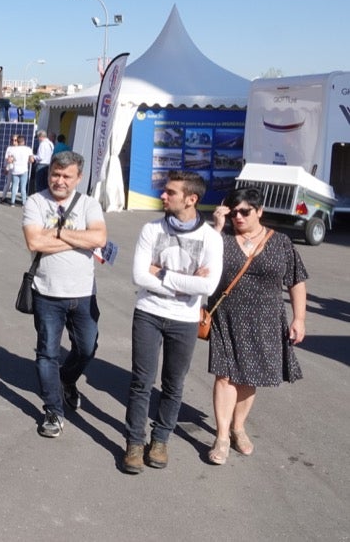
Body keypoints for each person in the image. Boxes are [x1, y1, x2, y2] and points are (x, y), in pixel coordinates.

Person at [122, 171, 223, 474]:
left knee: (173, 383)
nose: (163, 196)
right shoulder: (151, 229)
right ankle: (135, 442)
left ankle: (161, 440)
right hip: (149, 313)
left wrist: (162, 274)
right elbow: (139, 276)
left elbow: (208, 287)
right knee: (142, 381)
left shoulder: (210, 238)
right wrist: (188, 281)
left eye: (170, 192)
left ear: (191, 199)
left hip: (185, 319)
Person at [205, 187, 307, 465]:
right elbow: (199, 266)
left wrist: (299, 318)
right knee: (224, 375)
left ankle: (238, 427)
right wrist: (216, 227)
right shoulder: (220, 238)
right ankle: (222, 436)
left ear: (259, 212)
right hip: (225, 315)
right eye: (233, 211)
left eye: (244, 211)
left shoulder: (281, 242)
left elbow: (296, 280)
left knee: (250, 376)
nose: (238, 216)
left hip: (266, 320)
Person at [22, 150, 108, 438]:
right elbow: (34, 242)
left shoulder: (89, 204)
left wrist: (56, 235)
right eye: (54, 174)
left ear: (78, 178)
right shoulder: (35, 201)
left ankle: (67, 379)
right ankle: (53, 411)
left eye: (66, 176)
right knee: (46, 352)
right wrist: (77, 240)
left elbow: (99, 238)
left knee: (87, 347)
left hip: (83, 292)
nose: (59, 181)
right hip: (46, 292)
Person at [5, 134, 34, 206]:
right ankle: (24, 203)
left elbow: (9, 160)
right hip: (24, 170)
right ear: (24, 141)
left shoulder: (13, 150)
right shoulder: (28, 149)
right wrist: (27, 161)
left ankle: (12, 202)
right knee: (23, 187)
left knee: (14, 186)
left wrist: (12, 161)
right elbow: (31, 160)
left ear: (17, 142)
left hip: (15, 170)